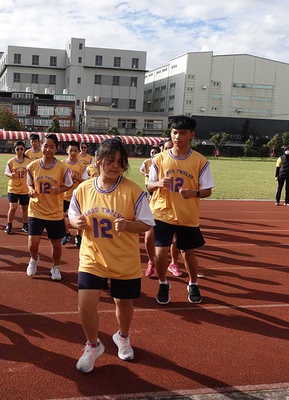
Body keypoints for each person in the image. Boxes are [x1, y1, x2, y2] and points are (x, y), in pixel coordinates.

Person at [69, 138, 154, 373]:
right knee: (85, 306)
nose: (115, 166)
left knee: (124, 303)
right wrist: (76, 222)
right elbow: (72, 216)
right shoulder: (83, 189)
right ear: (97, 161)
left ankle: (122, 336)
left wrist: (128, 225)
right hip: (92, 258)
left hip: (124, 261)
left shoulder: (133, 191)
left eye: (120, 162)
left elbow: (146, 224)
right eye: (109, 160)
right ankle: (92, 345)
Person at [147, 116, 214, 304]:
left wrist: (195, 192)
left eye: (183, 133)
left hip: (187, 216)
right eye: (175, 132)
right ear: (171, 133)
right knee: (160, 254)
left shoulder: (200, 161)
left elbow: (208, 190)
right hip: (162, 213)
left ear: (191, 135)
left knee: (188, 254)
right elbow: (149, 186)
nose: (178, 137)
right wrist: (158, 183)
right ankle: (163, 283)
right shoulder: (159, 159)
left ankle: (193, 284)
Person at [26, 134, 73, 280]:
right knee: (33, 242)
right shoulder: (32, 166)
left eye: (52, 147)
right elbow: (29, 182)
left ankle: (56, 267)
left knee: (56, 243)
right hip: (36, 210)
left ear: (56, 149)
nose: (48, 149)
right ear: (41, 147)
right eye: (45, 146)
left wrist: (60, 190)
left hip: (54, 212)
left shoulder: (62, 168)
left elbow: (69, 184)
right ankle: (34, 259)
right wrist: (30, 190)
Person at [145, 139, 184, 278]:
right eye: (165, 148)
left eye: (170, 148)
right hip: (157, 205)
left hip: (176, 207)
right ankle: (151, 262)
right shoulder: (156, 161)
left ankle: (173, 263)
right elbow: (149, 186)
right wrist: (159, 183)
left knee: (175, 239)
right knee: (149, 237)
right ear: (162, 149)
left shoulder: (182, 163)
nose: (168, 151)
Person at [61, 141, 89, 248]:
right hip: (64, 195)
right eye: (71, 150)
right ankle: (67, 234)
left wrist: (76, 177)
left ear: (78, 152)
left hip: (78, 196)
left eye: (75, 151)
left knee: (79, 217)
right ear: (67, 150)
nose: (73, 153)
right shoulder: (62, 164)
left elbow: (86, 182)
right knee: (60, 216)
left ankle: (78, 235)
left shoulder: (82, 166)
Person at [4, 140, 30, 234]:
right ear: (14, 150)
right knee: (13, 207)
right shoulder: (11, 161)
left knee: (25, 208)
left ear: (24, 150)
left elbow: (32, 173)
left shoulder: (28, 161)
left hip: (24, 189)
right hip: (13, 188)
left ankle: (25, 225)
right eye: (17, 149)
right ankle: (9, 224)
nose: (19, 150)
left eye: (21, 149)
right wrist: (10, 174)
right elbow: (6, 172)